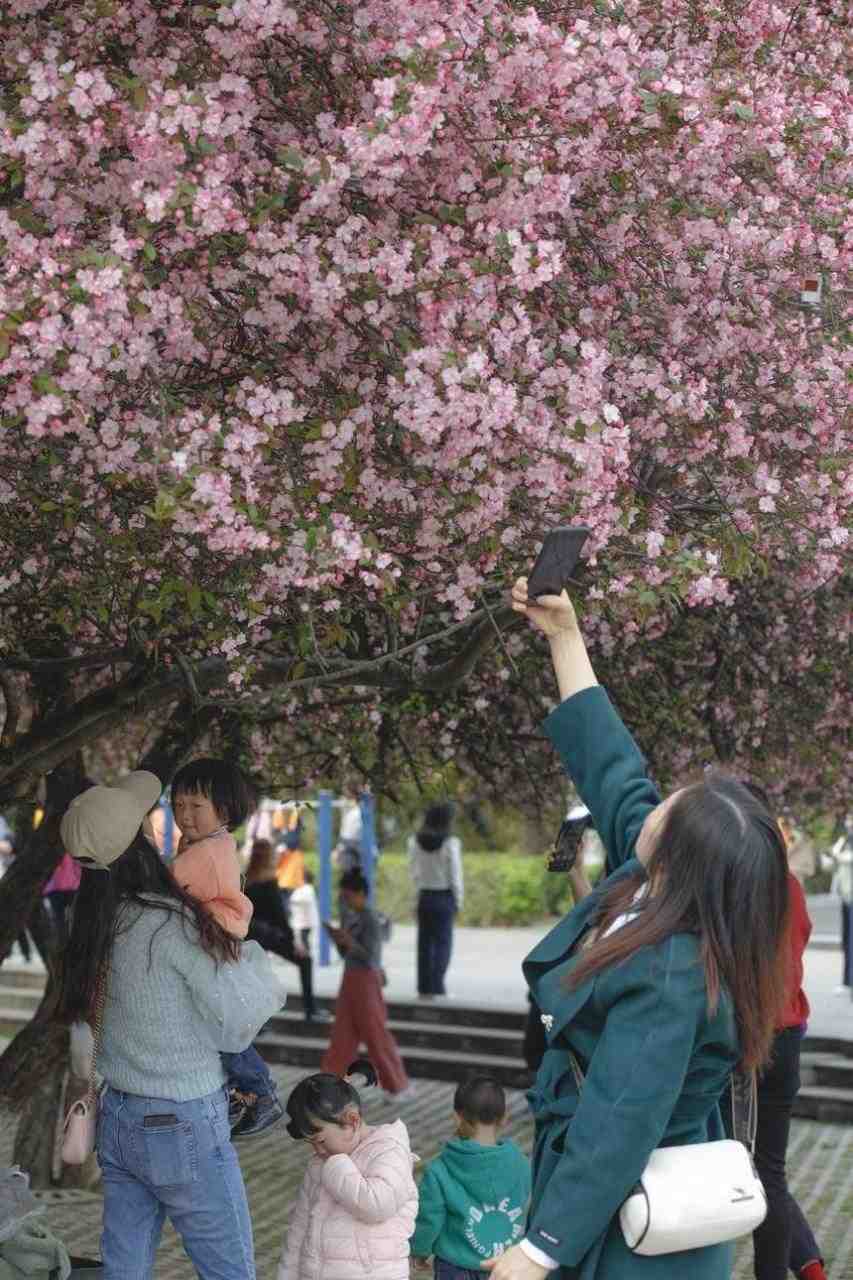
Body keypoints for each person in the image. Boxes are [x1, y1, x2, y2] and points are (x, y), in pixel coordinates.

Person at [481, 579, 790, 1280]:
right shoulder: (651, 882)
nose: (652, 805)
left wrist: (538, 1252)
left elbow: (616, 1127)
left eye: (668, 808)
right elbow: (613, 770)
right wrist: (564, 635)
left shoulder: (671, 973)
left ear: (680, 856)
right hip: (602, 1195)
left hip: (633, 1230)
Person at [55, 771, 285, 1280]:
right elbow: (238, 1020)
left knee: (124, 1268)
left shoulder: (88, 923)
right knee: (228, 1270)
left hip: (118, 1119)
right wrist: (248, 957)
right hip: (185, 1122)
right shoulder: (170, 922)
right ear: (138, 843)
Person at [170, 758, 284, 1139]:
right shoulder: (213, 843)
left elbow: (164, 890)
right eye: (179, 805)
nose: (185, 815)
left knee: (221, 1032)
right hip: (215, 944)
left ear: (224, 809)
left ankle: (258, 1090)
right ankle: (243, 1092)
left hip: (211, 949)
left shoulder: (205, 854)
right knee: (217, 1029)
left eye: (196, 806)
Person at [278, 1059, 418, 1280]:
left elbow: (376, 1205)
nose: (318, 1150)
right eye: (311, 1143)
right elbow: (299, 1228)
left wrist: (337, 1165)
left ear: (352, 1120)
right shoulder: (320, 1163)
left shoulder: (389, 1152)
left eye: (321, 1140)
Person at [410, 1075, 531, 1278]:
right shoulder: (521, 1164)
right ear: (504, 1117)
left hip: (455, 1267)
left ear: (457, 1117)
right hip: (505, 1266)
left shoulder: (440, 1169)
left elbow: (429, 1218)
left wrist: (419, 1250)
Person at [322, 868, 413, 1101]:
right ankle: (330, 1084)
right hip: (352, 978)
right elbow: (349, 953)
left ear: (361, 893)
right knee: (342, 1034)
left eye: (349, 896)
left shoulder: (370, 917)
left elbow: (370, 955)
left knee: (375, 1035)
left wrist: (348, 941)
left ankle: (398, 1085)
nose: (346, 901)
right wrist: (339, 940)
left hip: (365, 979)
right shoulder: (356, 917)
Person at [244, 840, 329, 1024]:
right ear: (268, 857)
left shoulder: (246, 880)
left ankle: (255, 1021)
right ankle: (310, 1010)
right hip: (270, 935)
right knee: (305, 961)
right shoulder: (269, 881)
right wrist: (294, 942)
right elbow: (279, 917)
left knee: (254, 976)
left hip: (251, 936)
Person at [408, 803, 464, 998]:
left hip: (424, 896)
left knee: (424, 945)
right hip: (444, 896)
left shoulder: (414, 841)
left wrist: (415, 900)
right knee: (443, 945)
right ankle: (438, 987)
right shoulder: (451, 843)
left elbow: (414, 874)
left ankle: (424, 988)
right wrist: (458, 900)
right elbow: (455, 875)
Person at [289, 867, 320, 956]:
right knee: (303, 938)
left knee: (304, 938)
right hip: (302, 920)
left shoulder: (308, 888)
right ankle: (306, 953)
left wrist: (294, 901)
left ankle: (306, 954)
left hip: (306, 921)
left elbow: (302, 899)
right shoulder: (302, 888)